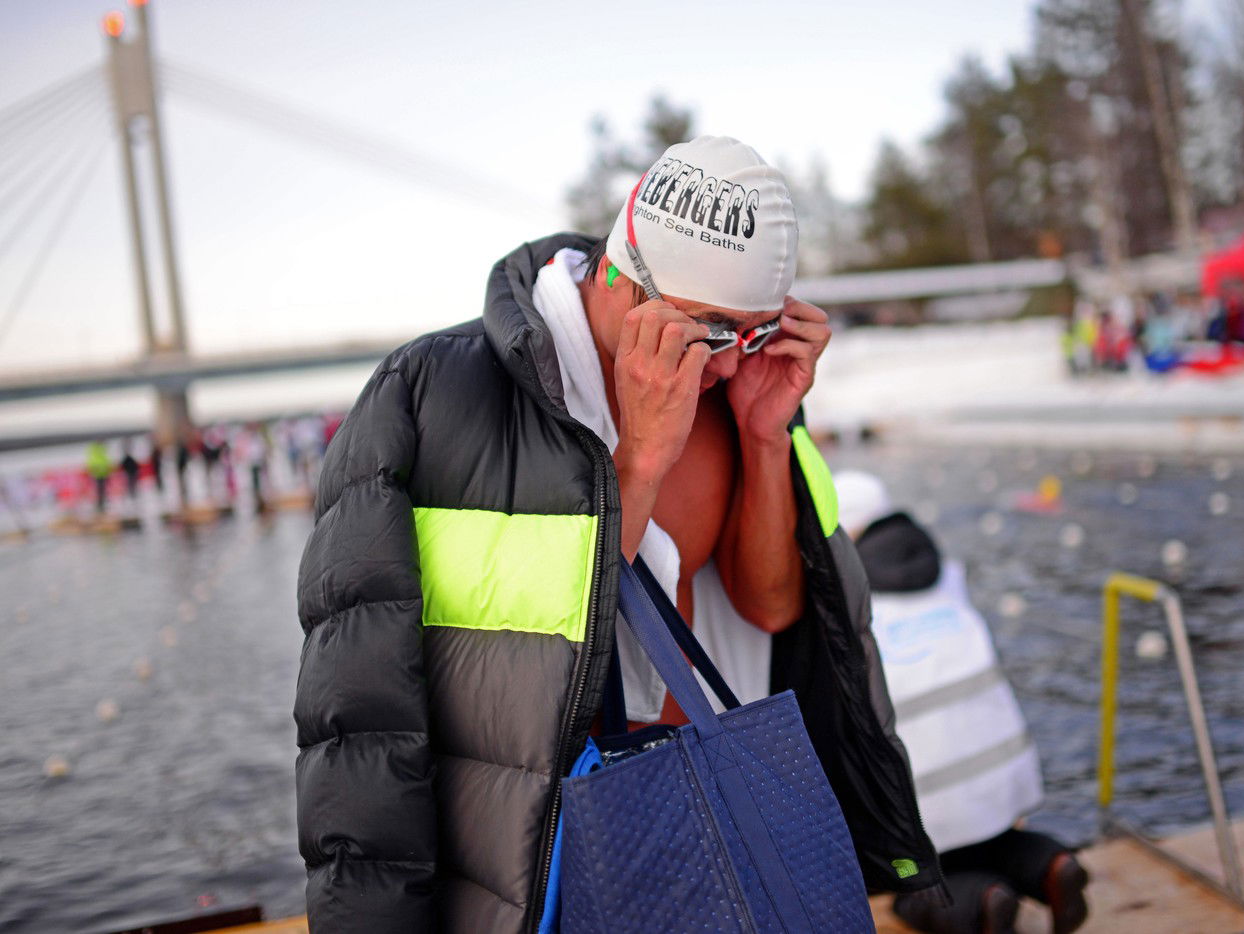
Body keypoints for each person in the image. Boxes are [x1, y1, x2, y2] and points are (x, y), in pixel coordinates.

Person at [293, 136, 945, 933]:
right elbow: (366, 711)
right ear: (620, 275)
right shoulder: (431, 397)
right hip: (539, 859)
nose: (732, 365)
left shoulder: (736, 387)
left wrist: (767, 435)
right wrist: (635, 462)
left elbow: (772, 612)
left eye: (758, 332)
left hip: (718, 819)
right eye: (710, 332)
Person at [834, 470, 1090, 934]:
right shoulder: (944, 572)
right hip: (1003, 773)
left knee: (909, 885)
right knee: (989, 844)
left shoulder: (845, 598)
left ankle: (982, 903)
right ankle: (1052, 865)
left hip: (927, 793)